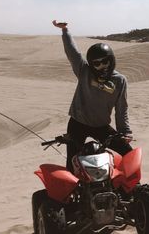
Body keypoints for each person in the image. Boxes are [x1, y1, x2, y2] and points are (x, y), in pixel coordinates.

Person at [52, 20, 133, 169]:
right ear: (91, 64)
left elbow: (121, 109)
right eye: (97, 63)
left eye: (105, 61)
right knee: (73, 162)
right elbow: (73, 53)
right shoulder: (84, 72)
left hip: (101, 126)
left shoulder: (120, 80)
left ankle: (131, 189)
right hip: (78, 124)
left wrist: (125, 132)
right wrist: (65, 31)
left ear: (111, 60)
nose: (102, 66)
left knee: (128, 153)